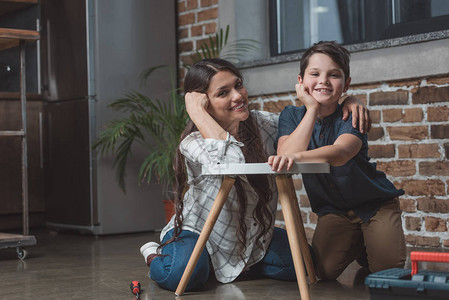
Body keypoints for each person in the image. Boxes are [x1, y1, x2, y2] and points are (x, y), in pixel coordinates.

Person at [140, 58, 370, 291]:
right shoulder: (193, 143)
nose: (238, 96)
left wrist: (347, 102)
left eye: (238, 85)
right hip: (202, 234)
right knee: (180, 276)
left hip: (252, 234)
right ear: (205, 104)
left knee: (303, 263)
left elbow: (310, 129)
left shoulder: (266, 124)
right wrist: (197, 114)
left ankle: (225, 267)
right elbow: (232, 163)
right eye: (223, 93)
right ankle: (158, 254)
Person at [268, 41, 406, 280]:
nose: (323, 80)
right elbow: (286, 151)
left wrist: (295, 156)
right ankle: (360, 241)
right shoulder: (291, 115)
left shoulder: (351, 113)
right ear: (300, 82)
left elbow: (341, 153)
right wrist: (310, 109)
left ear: (346, 84)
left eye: (334, 75)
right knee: (321, 272)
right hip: (334, 211)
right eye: (315, 74)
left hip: (374, 205)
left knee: (387, 274)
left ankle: (370, 242)